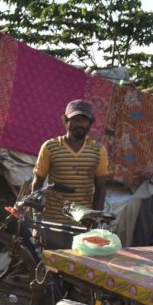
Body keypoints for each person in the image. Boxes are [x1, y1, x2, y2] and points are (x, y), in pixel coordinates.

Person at [32, 99, 110, 231]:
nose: (79, 124)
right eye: (75, 119)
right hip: (52, 223)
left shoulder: (98, 150)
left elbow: (101, 188)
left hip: (83, 223)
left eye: (84, 120)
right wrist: (36, 222)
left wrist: (95, 220)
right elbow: (37, 184)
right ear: (65, 120)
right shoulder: (50, 147)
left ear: (90, 123)